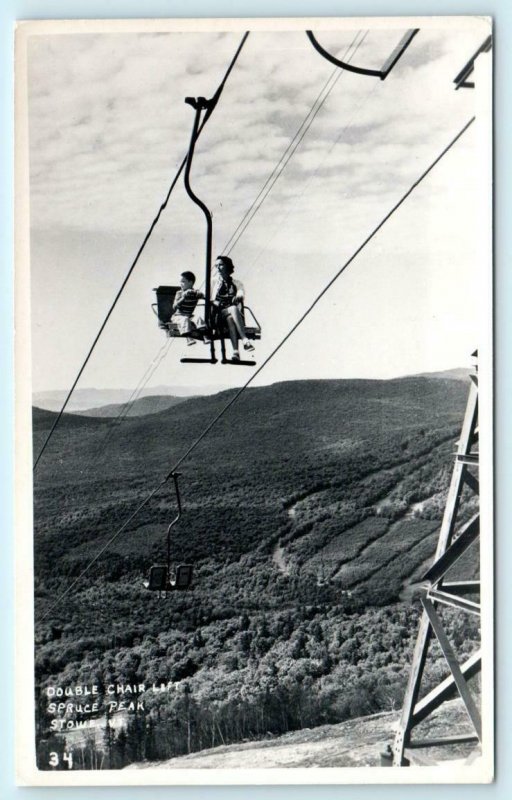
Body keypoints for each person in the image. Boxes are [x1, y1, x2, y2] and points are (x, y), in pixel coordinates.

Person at [211, 255, 255, 361]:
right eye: (216, 266)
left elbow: (241, 292)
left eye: (221, 265)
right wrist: (214, 302)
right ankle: (244, 339)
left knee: (231, 317)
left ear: (227, 266)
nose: (218, 268)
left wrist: (239, 296)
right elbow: (206, 296)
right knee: (233, 309)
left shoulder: (236, 283)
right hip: (217, 314)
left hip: (230, 315)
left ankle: (236, 352)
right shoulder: (213, 281)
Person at [171, 271, 204, 345]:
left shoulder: (195, 292)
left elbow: (203, 296)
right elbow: (174, 307)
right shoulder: (179, 293)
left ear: (190, 282)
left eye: (183, 282)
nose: (181, 284)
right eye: (180, 282)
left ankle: (205, 335)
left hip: (189, 315)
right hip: (178, 316)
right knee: (185, 320)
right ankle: (188, 338)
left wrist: (200, 295)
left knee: (198, 318)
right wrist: (183, 298)